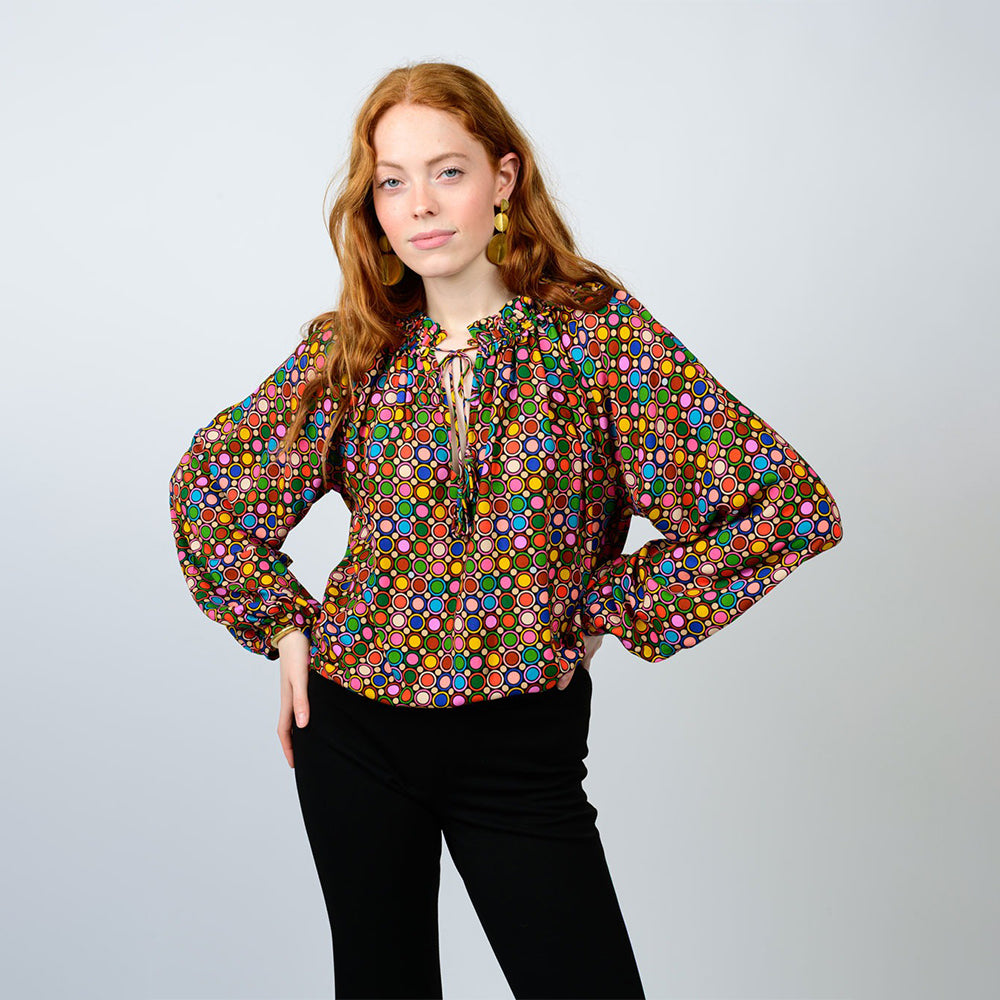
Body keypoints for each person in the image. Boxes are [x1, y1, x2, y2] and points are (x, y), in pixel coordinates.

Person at [168, 61, 844, 1000]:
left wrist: (608, 605)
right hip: (353, 732)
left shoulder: (594, 337)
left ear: (503, 177)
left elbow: (786, 507)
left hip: (518, 745)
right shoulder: (354, 345)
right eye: (391, 182)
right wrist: (283, 624)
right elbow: (210, 492)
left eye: (447, 171)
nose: (419, 204)